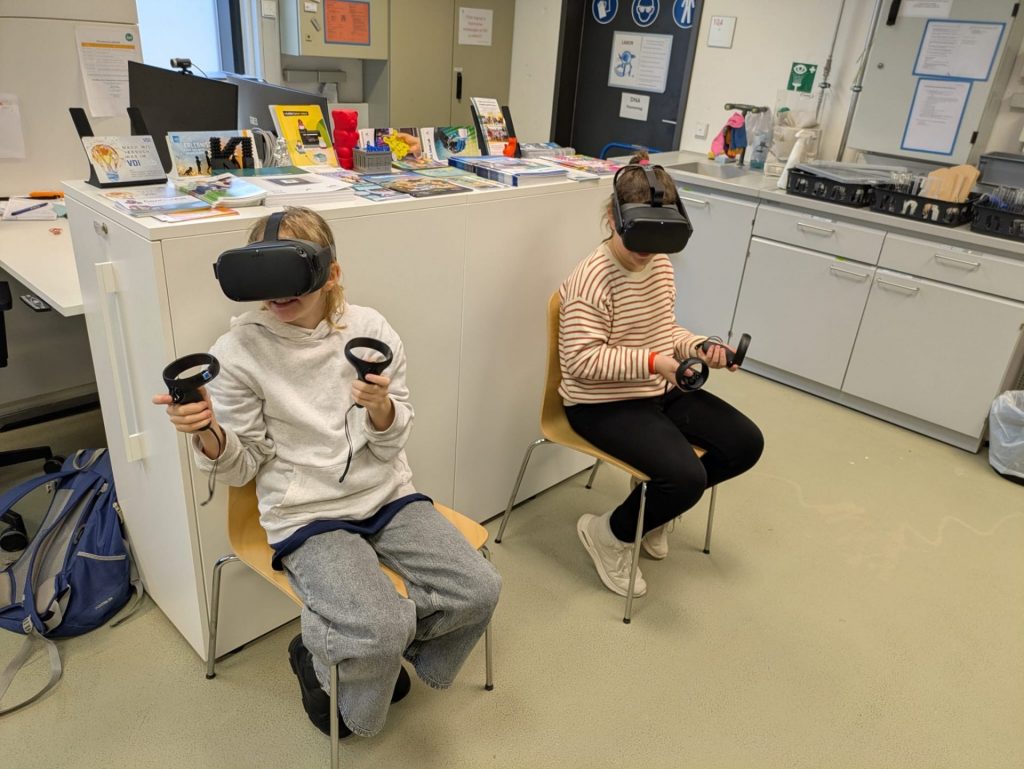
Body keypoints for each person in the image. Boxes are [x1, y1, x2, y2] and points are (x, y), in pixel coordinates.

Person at [152, 207, 501, 738]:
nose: (277, 296)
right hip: (306, 513)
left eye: (290, 278)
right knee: (380, 628)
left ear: (330, 273)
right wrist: (207, 433)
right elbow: (242, 467)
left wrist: (381, 409)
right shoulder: (238, 353)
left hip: (385, 496)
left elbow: (391, 442)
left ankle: (367, 646)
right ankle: (330, 658)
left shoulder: (371, 331)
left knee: (478, 589)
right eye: (263, 280)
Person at [559, 155, 764, 598]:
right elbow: (580, 361)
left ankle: (652, 509)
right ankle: (609, 534)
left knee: (745, 444)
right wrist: (655, 363)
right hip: (599, 404)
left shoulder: (660, 264)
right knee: (686, 478)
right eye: (639, 241)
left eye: (658, 242)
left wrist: (699, 348)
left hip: (656, 389)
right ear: (613, 218)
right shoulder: (591, 280)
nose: (647, 254)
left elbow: (664, 330)